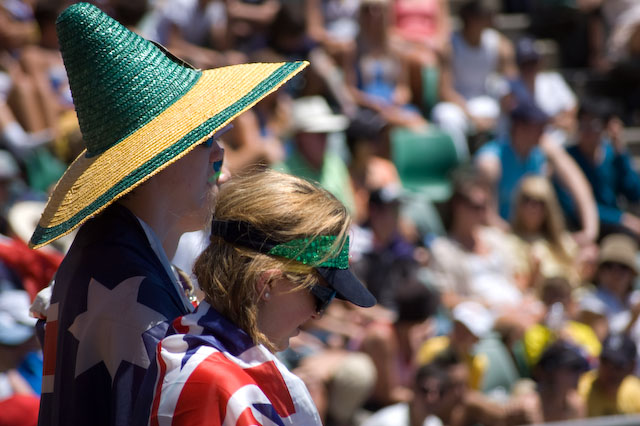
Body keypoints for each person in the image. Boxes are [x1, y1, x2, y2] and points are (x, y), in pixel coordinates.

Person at [26, 3, 308, 426]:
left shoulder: (110, 255)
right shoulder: (140, 303)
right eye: (202, 139)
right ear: (156, 162)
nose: (220, 153)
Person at [141, 169, 376, 424]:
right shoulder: (207, 384)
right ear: (267, 283)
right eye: (322, 296)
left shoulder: (224, 371)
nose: (317, 314)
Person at [578, 333, 640, 417]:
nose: (610, 371)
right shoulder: (581, 390)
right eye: (605, 361)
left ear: (632, 367)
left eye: (618, 365)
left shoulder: (636, 392)